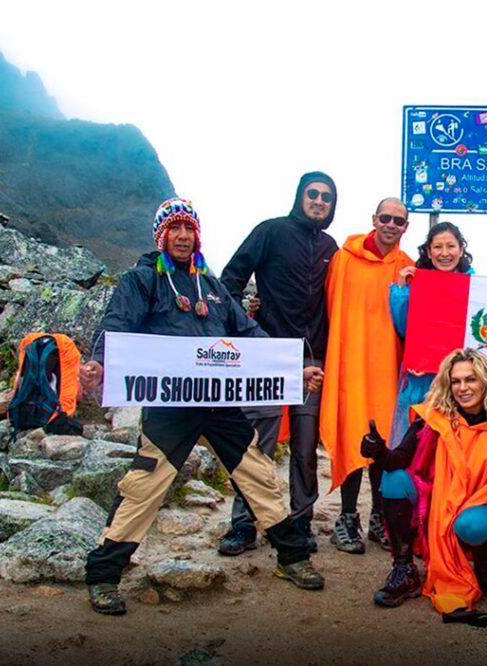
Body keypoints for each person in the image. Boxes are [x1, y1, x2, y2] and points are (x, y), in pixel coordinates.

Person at [80, 198, 325, 616]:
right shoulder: (142, 281)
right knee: (144, 486)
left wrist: (294, 370)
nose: (182, 236)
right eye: (174, 229)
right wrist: (99, 363)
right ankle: (103, 576)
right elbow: (116, 326)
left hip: (219, 402)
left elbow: (249, 333)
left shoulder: (211, 288)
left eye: (189, 229)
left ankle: (292, 558)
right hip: (170, 405)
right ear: (161, 235)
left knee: (258, 476)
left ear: (197, 236)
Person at [216, 171, 338, 556]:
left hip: (312, 357)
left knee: (305, 447)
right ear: (300, 195)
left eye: (327, 197)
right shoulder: (270, 231)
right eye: (313, 193)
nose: (319, 201)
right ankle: (243, 522)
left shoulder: (332, 247)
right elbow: (230, 279)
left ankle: (301, 520)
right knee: (257, 445)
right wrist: (245, 326)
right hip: (266, 354)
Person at [359, 348, 487, 614]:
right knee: (393, 479)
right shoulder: (434, 420)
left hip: (482, 514)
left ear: (486, 381)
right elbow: (399, 460)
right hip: (436, 510)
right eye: (456, 381)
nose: (463, 387)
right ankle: (404, 569)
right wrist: (378, 451)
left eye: (470, 379)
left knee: (474, 524)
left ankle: (485, 565)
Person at [320, 197, 414, 553]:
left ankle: (378, 517)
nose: (391, 224)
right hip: (351, 365)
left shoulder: (407, 266)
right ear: (374, 219)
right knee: (351, 439)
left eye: (399, 221)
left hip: (389, 367)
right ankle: (346, 518)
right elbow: (326, 306)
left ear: (406, 227)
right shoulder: (344, 259)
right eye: (386, 218)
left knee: (382, 443)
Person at [388, 221, 474, 446]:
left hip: (460, 380)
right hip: (421, 378)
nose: (444, 253)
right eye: (437, 247)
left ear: (461, 249)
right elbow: (403, 327)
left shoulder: (475, 285)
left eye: (450, 246)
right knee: (415, 448)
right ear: (428, 251)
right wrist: (400, 290)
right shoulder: (417, 283)